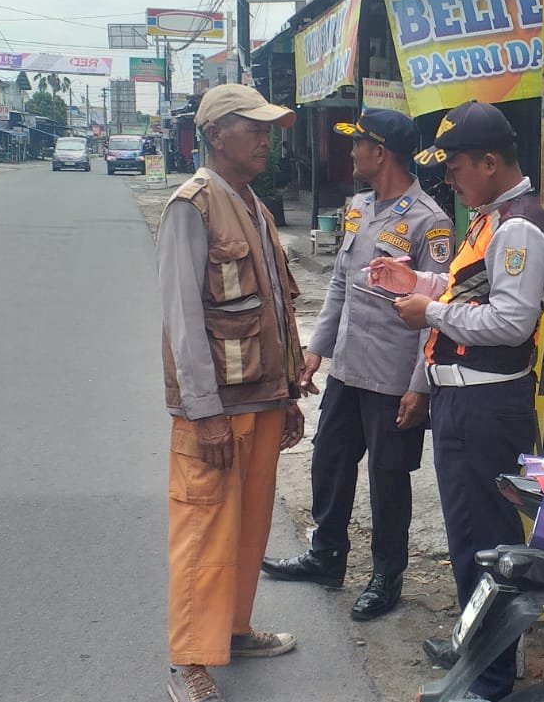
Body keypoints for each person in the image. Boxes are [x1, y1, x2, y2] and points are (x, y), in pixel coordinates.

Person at [367, 100, 544, 701]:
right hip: (462, 401)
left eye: (454, 168)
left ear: (491, 161)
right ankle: (477, 658)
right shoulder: (489, 216)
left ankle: (492, 681)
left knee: (486, 544)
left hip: (486, 406)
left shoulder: (519, 225)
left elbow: (511, 321)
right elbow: (466, 289)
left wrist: (432, 311)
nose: (447, 179)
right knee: (470, 541)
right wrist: (419, 285)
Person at [261, 109, 453, 622]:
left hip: (393, 376)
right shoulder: (358, 208)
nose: (351, 152)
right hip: (348, 367)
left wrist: (420, 388)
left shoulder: (429, 221)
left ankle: (386, 576)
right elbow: (342, 287)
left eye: (358, 144)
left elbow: (435, 313)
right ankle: (326, 556)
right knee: (329, 462)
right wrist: (316, 349)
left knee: (389, 479)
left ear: (382, 151)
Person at [158, 84, 308, 702]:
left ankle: (235, 629)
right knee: (203, 529)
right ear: (218, 134)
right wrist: (205, 414)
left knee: (249, 527)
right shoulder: (190, 208)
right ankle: (191, 661)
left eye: (270, 130)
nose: (266, 141)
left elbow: (275, 308)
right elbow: (183, 320)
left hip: (263, 400)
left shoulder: (253, 203)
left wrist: (289, 394)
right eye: (256, 129)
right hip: (217, 409)